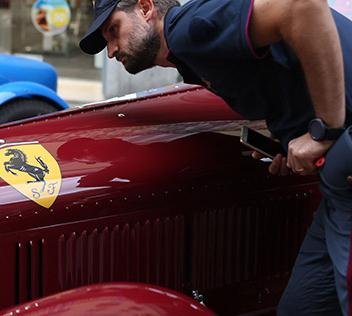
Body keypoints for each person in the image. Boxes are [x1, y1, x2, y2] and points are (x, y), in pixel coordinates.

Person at [79, 0, 352, 314]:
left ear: (144, 7)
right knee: (301, 308)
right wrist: (292, 133)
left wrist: (325, 130)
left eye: (113, 31)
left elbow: (302, 6)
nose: (111, 50)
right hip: (336, 187)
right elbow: (283, 67)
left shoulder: (187, 28)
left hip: (345, 160)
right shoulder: (191, 60)